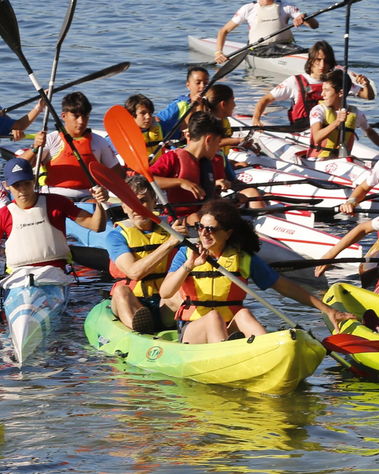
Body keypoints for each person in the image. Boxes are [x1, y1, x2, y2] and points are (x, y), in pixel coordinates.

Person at [159, 197, 347, 344]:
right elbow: (165, 292)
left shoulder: (243, 258)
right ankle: (227, 355)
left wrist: (327, 310)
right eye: (200, 227)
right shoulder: (186, 254)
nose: (203, 233)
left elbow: (286, 288)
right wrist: (189, 266)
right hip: (194, 329)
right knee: (213, 317)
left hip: (230, 328)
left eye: (211, 229)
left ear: (228, 233)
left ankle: (270, 352)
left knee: (244, 313)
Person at [0, 157, 107, 285]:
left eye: (26, 183)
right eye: (17, 185)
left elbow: (96, 226)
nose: (23, 190)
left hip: (55, 277)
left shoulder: (57, 203)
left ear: (33, 182)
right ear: (7, 186)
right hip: (19, 279)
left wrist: (100, 203)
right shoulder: (2, 215)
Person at [106, 173, 186, 333]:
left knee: (183, 292)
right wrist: (170, 243)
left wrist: (186, 240)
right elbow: (134, 273)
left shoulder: (173, 230)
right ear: (123, 206)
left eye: (143, 201)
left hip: (164, 302)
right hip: (135, 301)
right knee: (121, 291)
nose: (137, 208)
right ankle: (138, 331)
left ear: (154, 202)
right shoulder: (116, 236)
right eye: (131, 202)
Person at [250, 41, 377, 126]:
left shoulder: (337, 81)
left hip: (328, 131)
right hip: (300, 132)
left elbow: (368, 96)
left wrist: (366, 84)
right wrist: (256, 119)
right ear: (311, 61)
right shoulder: (294, 82)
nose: (322, 65)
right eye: (318, 60)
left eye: (326, 61)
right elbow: (265, 100)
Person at [212, 0, 314, 65]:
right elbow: (223, 31)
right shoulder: (248, 9)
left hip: (285, 48)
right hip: (258, 50)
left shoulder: (286, 7)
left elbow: (315, 25)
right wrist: (218, 52)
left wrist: (303, 17)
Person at [33, 92, 122, 199]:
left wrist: (105, 191)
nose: (81, 121)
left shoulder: (99, 142)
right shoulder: (51, 139)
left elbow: (120, 177)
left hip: (89, 195)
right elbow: (26, 166)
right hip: (55, 195)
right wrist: (35, 148)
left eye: (85, 117)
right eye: (76, 116)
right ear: (64, 116)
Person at [150, 112, 242, 209]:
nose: (218, 149)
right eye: (218, 143)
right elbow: (146, 181)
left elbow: (212, 198)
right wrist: (180, 182)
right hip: (180, 219)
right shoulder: (172, 158)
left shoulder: (216, 161)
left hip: (207, 216)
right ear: (208, 140)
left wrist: (230, 197)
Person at [156, 66, 210, 145]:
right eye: (198, 83)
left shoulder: (210, 103)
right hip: (180, 149)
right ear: (188, 85)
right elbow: (157, 120)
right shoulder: (179, 105)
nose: (202, 86)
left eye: (206, 83)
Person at [123, 94, 166, 159]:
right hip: (137, 169)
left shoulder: (160, 128)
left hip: (159, 168)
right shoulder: (121, 136)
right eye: (143, 113)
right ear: (131, 115)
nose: (148, 117)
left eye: (150, 113)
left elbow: (183, 124)